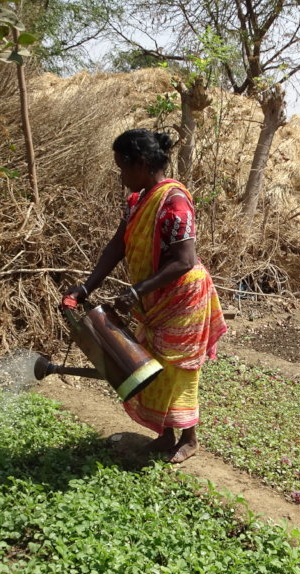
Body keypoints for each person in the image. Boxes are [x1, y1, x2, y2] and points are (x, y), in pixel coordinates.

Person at [62, 129, 227, 464]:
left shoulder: (174, 203)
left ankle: (189, 438)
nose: (121, 177)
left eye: (122, 168)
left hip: (183, 298)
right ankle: (165, 434)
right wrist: (86, 287)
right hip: (154, 298)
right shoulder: (137, 202)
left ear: (140, 163)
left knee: (178, 368)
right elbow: (117, 245)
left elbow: (184, 261)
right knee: (150, 364)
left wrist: (136, 290)